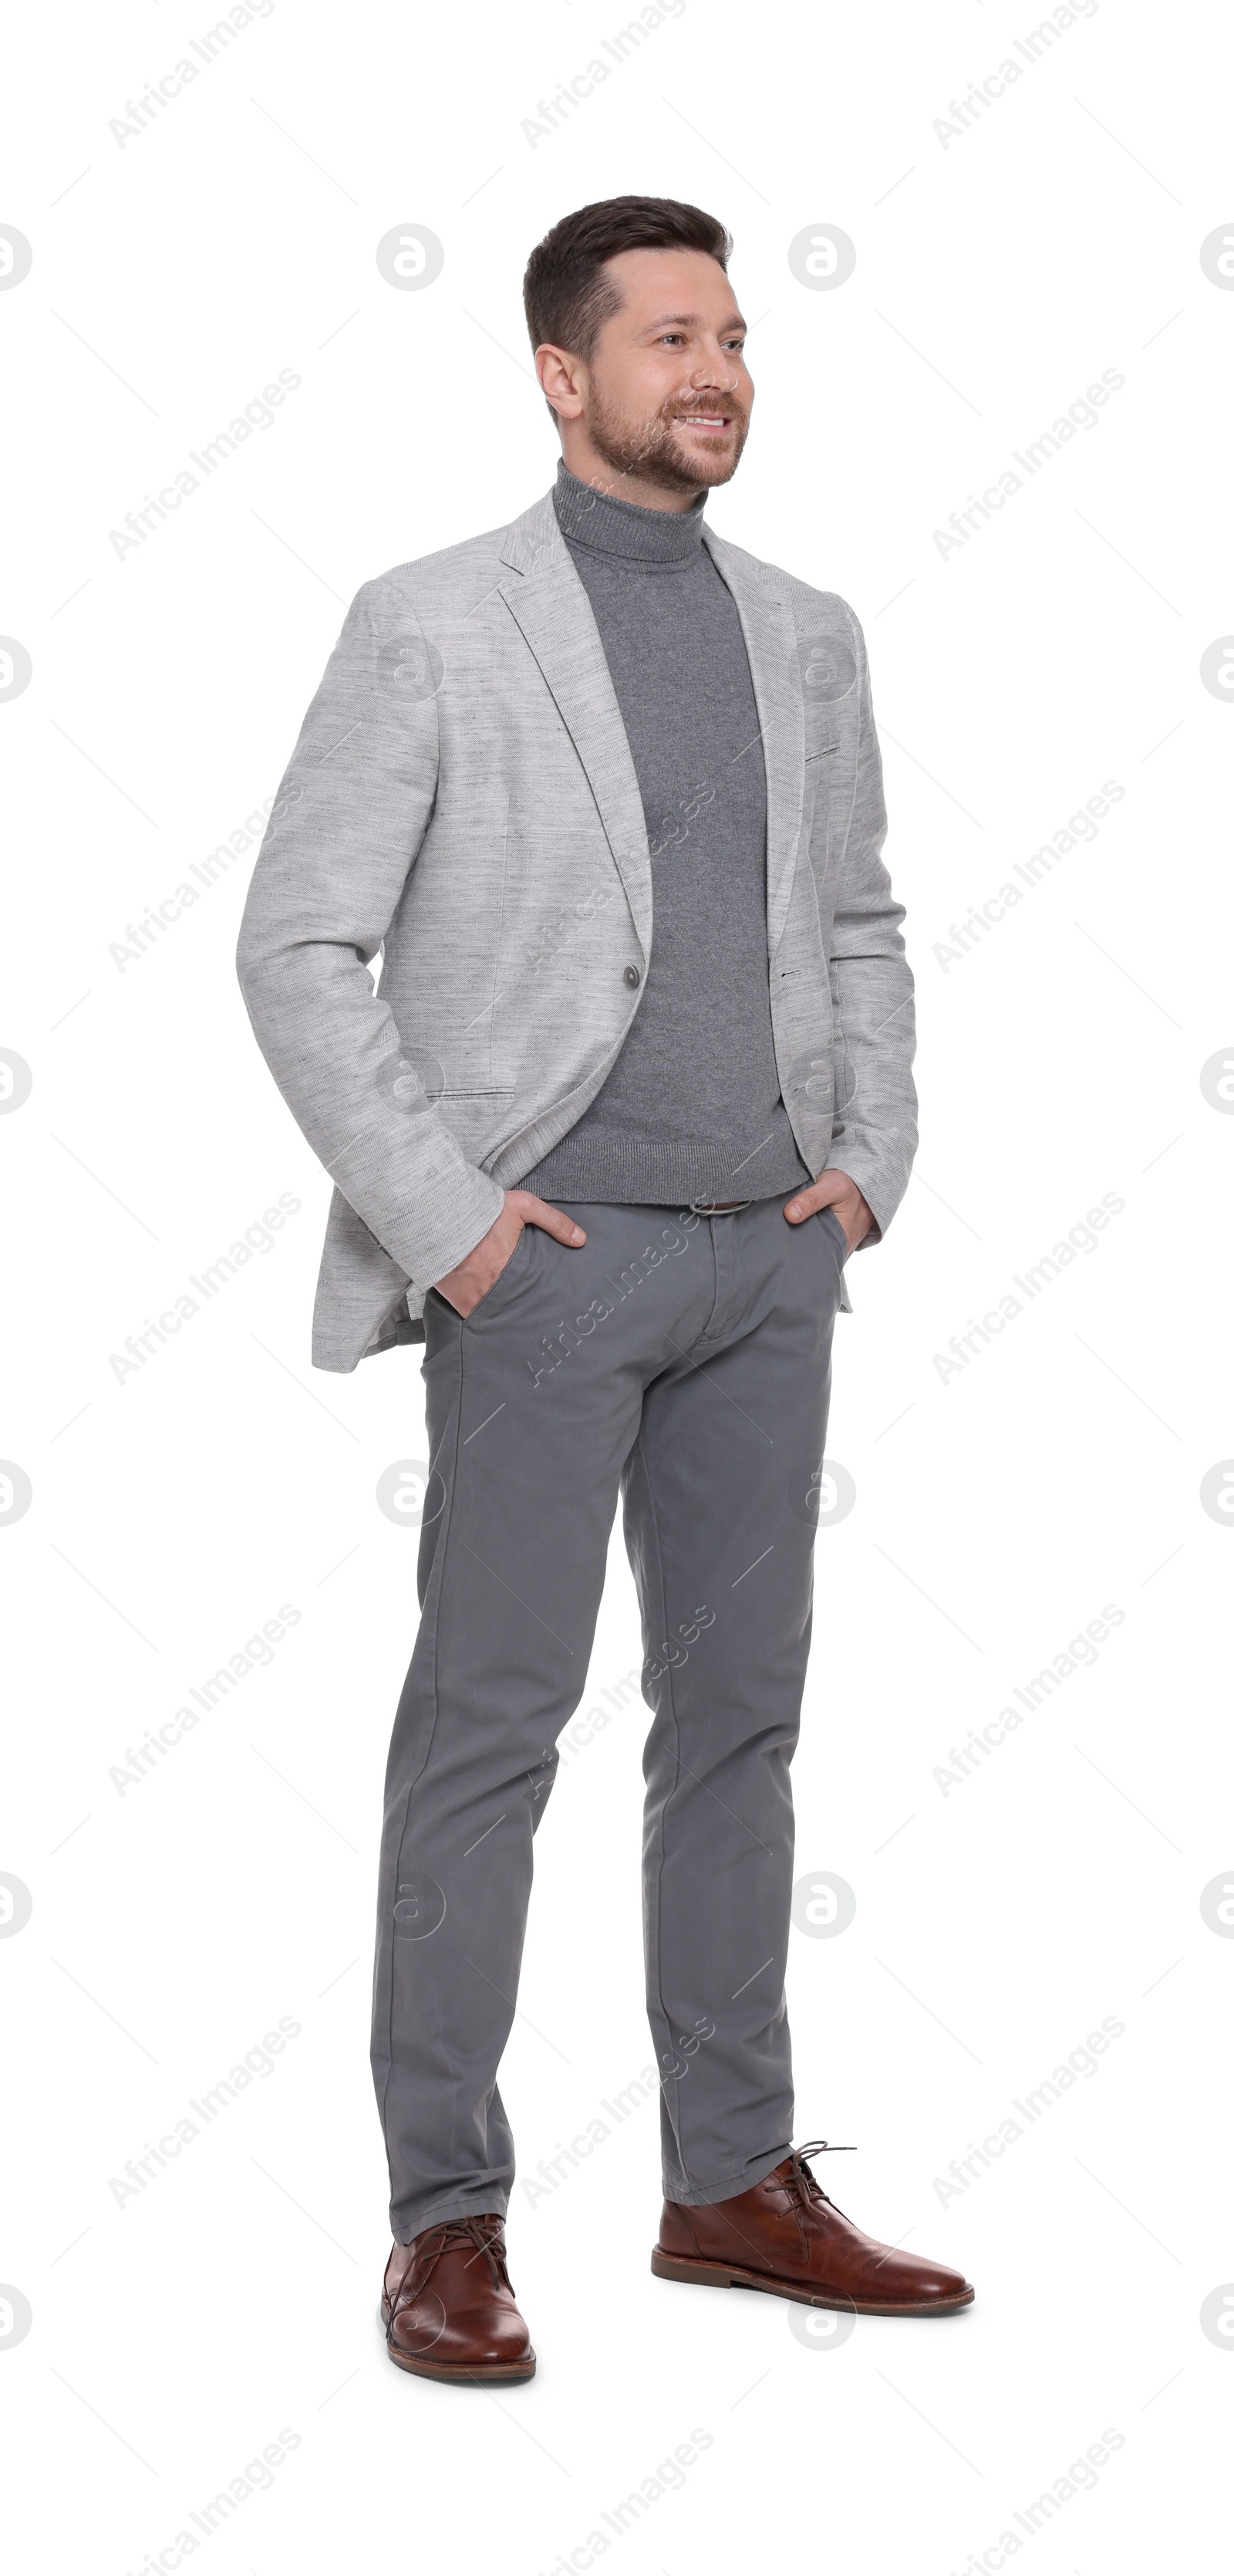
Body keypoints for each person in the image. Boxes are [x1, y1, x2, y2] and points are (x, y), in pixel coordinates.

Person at [236, 194, 973, 2385]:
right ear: (566, 378)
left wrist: (868, 1167)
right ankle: (445, 2217)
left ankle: (730, 2177)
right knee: (489, 1733)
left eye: (732, 332)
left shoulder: (810, 626)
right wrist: (457, 1224)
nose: (716, 368)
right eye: (668, 338)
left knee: (739, 1728)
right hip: (543, 1271)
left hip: (769, 1263)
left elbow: (859, 918)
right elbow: (295, 944)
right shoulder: (432, 622)